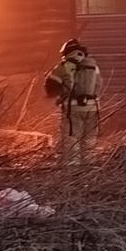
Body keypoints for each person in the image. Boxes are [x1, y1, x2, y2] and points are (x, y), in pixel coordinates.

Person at [44, 38, 103, 166]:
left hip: (73, 110)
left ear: (66, 52)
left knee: (72, 140)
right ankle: (89, 169)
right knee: (89, 141)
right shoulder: (93, 66)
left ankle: (73, 171)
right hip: (93, 109)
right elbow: (99, 85)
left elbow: (50, 87)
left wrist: (60, 96)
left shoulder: (64, 66)